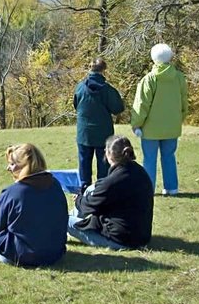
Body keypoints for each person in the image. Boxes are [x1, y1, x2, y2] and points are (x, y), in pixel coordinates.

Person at [0, 143, 67, 267]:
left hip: (21, 256)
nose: (8, 168)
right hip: (55, 254)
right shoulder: (55, 185)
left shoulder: (13, 192)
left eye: (12, 164)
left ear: (25, 166)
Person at [68, 135, 154, 250]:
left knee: (62, 219)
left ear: (108, 153)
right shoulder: (139, 170)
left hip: (121, 240)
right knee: (91, 189)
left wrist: (79, 199)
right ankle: (69, 226)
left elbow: (86, 207)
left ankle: (62, 229)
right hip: (141, 236)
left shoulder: (112, 182)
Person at [131, 43, 189, 196]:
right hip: (171, 127)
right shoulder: (179, 77)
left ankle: (148, 189)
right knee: (169, 157)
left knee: (149, 159)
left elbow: (141, 105)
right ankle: (172, 188)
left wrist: (136, 124)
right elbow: (184, 102)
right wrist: (178, 118)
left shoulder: (149, 79)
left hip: (151, 129)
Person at [73, 58, 125, 188]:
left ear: (89, 69)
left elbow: (76, 104)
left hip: (84, 132)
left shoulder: (80, 87)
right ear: (103, 70)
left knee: (84, 163)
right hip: (103, 132)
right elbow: (118, 108)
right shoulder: (107, 89)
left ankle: (84, 190)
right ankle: (103, 188)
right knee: (104, 165)